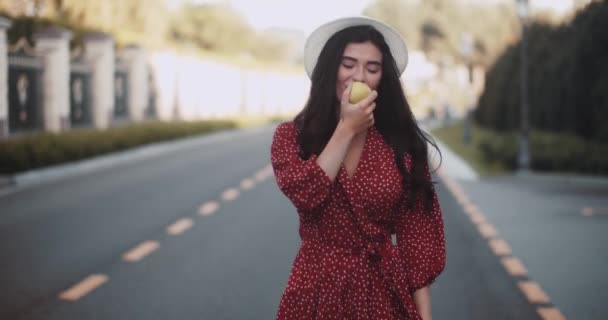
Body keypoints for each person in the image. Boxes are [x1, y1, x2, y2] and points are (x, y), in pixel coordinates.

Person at [270, 16, 445, 320]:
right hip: (315, 290)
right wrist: (346, 129)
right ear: (330, 68)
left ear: (383, 79)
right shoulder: (292, 137)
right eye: (348, 64)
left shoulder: (402, 146)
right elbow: (306, 193)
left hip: (382, 292)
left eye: (372, 68)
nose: (359, 76)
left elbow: (418, 241)